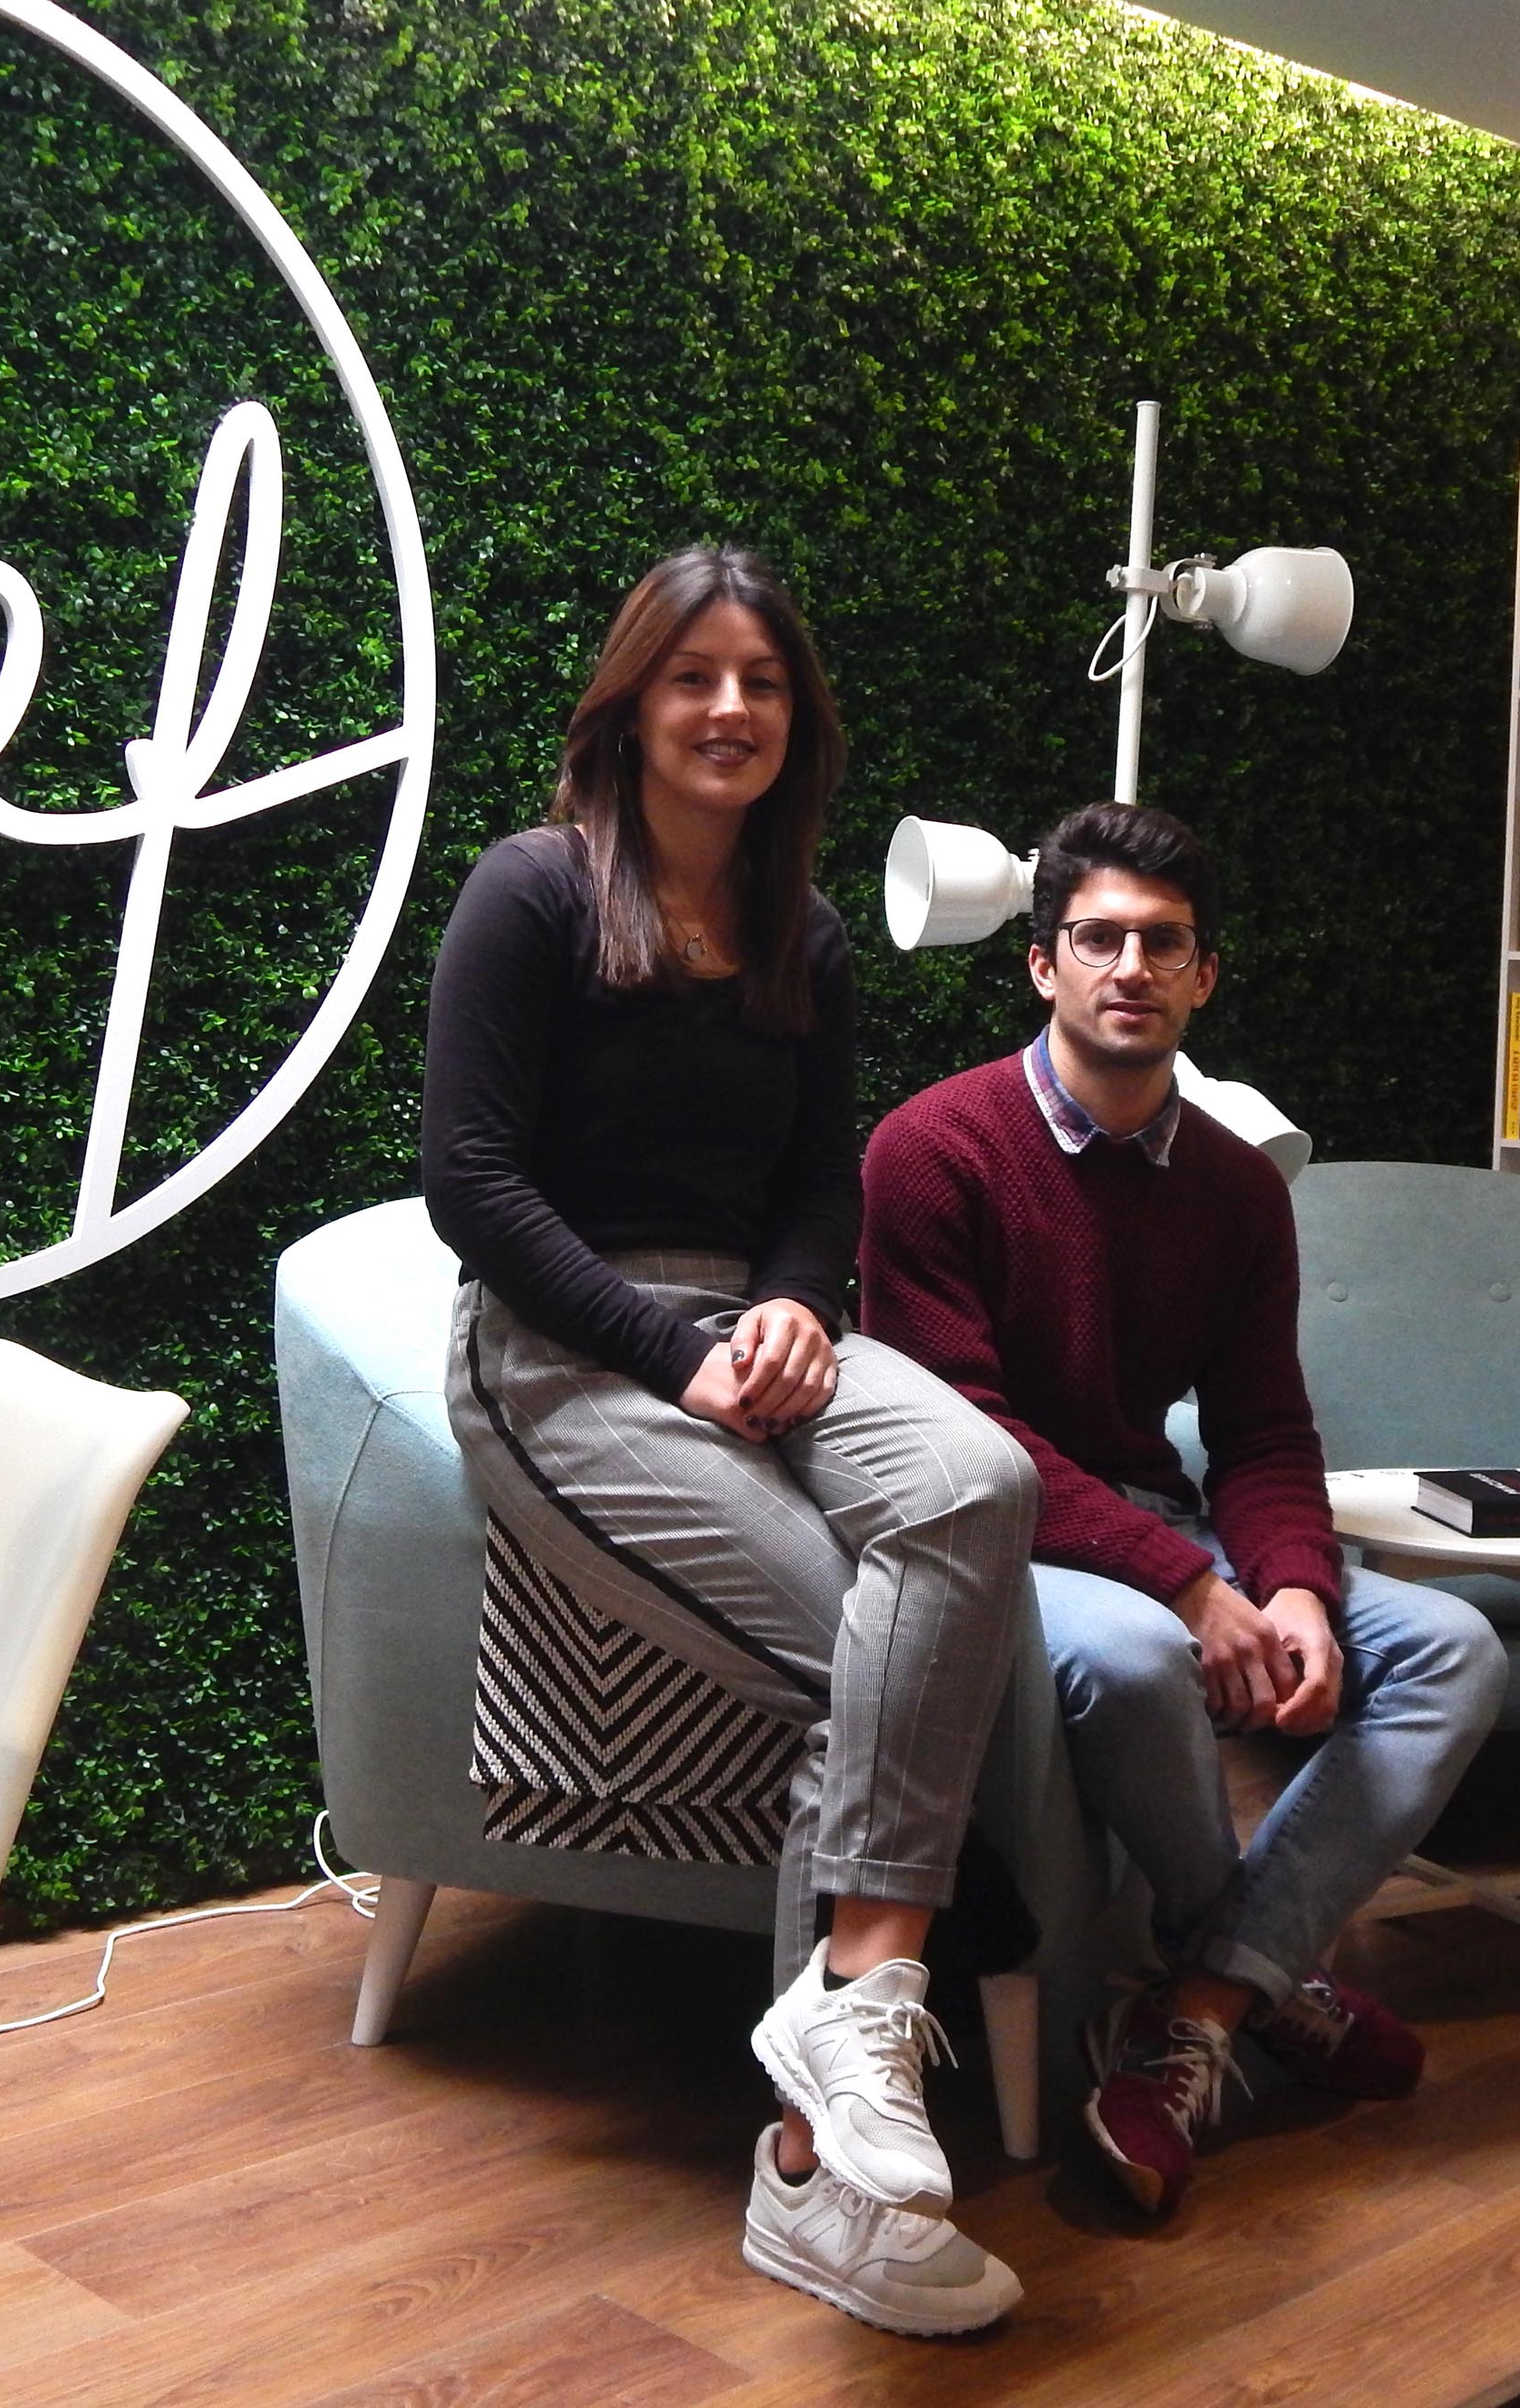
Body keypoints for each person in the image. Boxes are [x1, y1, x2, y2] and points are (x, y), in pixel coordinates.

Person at [421, 545, 1036, 2335]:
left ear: (797, 721)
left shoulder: (806, 934)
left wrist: (793, 1305)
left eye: (761, 681)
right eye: (693, 675)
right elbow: (470, 1182)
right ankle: (817, 2180)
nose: (728, 709)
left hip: (753, 1335)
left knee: (975, 1482)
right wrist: (671, 1350)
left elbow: (816, 1188)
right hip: (562, 1347)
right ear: (630, 705)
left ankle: (848, 2019)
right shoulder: (530, 891)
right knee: (861, 1648)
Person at [857, 801, 1507, 2217]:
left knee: (1454, 1648)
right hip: (999, 1533)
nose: (1130, 967)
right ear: (1042, 962)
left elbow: (1264, 1427)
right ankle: (1264, 1978)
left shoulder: (1234, 1186)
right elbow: (965, 1435)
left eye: (1164, 942)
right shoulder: (932, 1148)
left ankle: (1198, 2002)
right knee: (1143, 1652)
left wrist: (1294, 1585)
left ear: (1205, 974)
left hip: (1158, 1525)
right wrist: (1189, 1585)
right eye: (1098, 938)